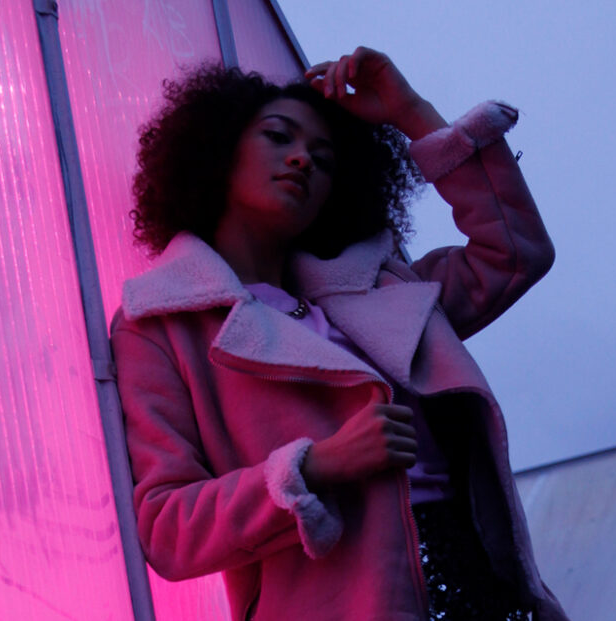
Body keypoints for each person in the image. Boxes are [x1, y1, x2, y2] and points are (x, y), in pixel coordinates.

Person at [111, 47, 569, 621]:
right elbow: (169, 528)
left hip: (483, 591)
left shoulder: (381, 288)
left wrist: (410, 111)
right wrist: (315, 466)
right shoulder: (161, 324)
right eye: (278, 136)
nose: (302, 158)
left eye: (325, 160)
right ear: (217, 149)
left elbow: (516, 253)